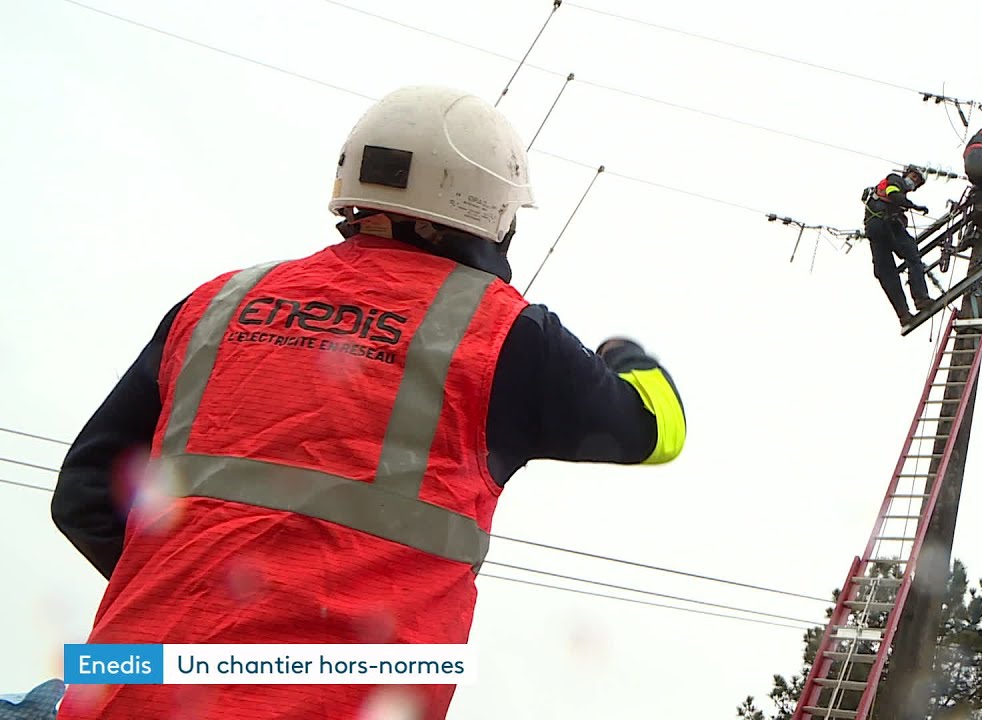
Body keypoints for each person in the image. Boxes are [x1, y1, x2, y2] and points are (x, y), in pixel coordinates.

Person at [50, 84, 687, 720]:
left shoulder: (219, 302)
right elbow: (656, 431)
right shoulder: (505, 334)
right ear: (496, 213)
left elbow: (83, 494)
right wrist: (625, 355)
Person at [862, 165, 933, 324]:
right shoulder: (895, 180)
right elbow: (893, 194)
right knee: (912, 254)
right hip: (888, 225)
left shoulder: (880, 192)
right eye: (914, 177)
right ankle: (920, 298)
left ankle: (904, 315)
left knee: (885, 272)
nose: (913, 183)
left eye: (917, 182)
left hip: (875, 229)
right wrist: (914, 206)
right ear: (907, 174)